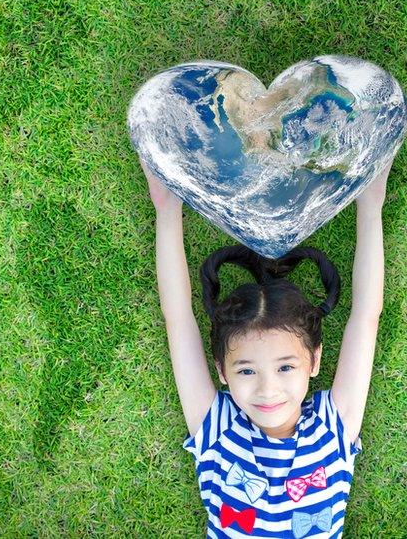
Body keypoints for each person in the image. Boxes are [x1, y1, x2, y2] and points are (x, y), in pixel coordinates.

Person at [142, 156, 388, 537]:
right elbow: (177, 319)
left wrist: (371, 206)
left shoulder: (333, 426)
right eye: (246, 370)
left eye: (285, 366)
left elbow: (366, 318)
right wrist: (166, 208)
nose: (267, 388)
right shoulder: (218, 428)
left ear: (314, 361)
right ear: (222, 372)